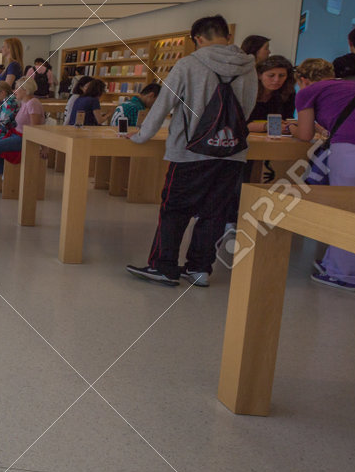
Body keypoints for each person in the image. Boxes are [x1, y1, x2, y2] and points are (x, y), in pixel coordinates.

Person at [125, 15, 257, 287]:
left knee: (175, 208)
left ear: (197, 39)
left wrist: (141, 136)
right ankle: (200, 269)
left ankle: (164, 266)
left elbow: (163, 105)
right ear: (227, 36)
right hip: (231, 152)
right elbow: (247, 107)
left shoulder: (189, 64)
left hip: (189, 152)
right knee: (215, 212)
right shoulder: (249, 67)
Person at [294, 58, 355, 291]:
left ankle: (345, 275)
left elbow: (305, 134)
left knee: (348, 213)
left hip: (352, 153)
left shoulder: (308, 91)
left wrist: (292, 128)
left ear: (303, 80)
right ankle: (332, 262)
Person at [0, 78, 44, 190]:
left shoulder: (33, 103)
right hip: (14, 135)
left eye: (17, 88)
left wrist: (43, 147)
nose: (14, 91)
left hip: (21, 138)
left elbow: (36, 129)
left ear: (25, 89)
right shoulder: (24, 102)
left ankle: (6, 175)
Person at [246, 55, 296, 133]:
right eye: (271, 75)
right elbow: (239, 124)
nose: (276, 80)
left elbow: (288, 119)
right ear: (259, 75)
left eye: (282, 76)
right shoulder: (247, 92)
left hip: (276, 139)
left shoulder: (289, 93)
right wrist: (269, 126)